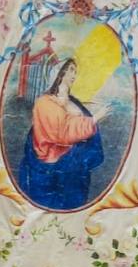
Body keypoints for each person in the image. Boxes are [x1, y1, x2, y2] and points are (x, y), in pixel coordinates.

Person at [18, 58, 107, 211]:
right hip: (51, 166)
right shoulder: (44, 102)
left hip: (72, 167)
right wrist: (94, 120)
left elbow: (72, 119)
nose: (74, 75)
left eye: (75, 71)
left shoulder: (71, 100)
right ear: (60, 72)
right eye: (71, 70)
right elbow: (61, 132)